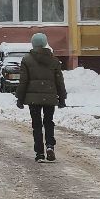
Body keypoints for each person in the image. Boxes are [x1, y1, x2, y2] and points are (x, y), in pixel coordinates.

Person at [13, 32, 67, 162]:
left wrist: (20, 99)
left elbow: (23, 81)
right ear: (45, 43)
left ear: (33, 44)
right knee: (49, 122)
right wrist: (62, 98)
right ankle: (50, 146)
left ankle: (39, 154)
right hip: (50, 97)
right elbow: (59, 81)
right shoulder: (54, 60)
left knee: (36, 125)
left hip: (33, 99)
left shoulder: (27, 60)